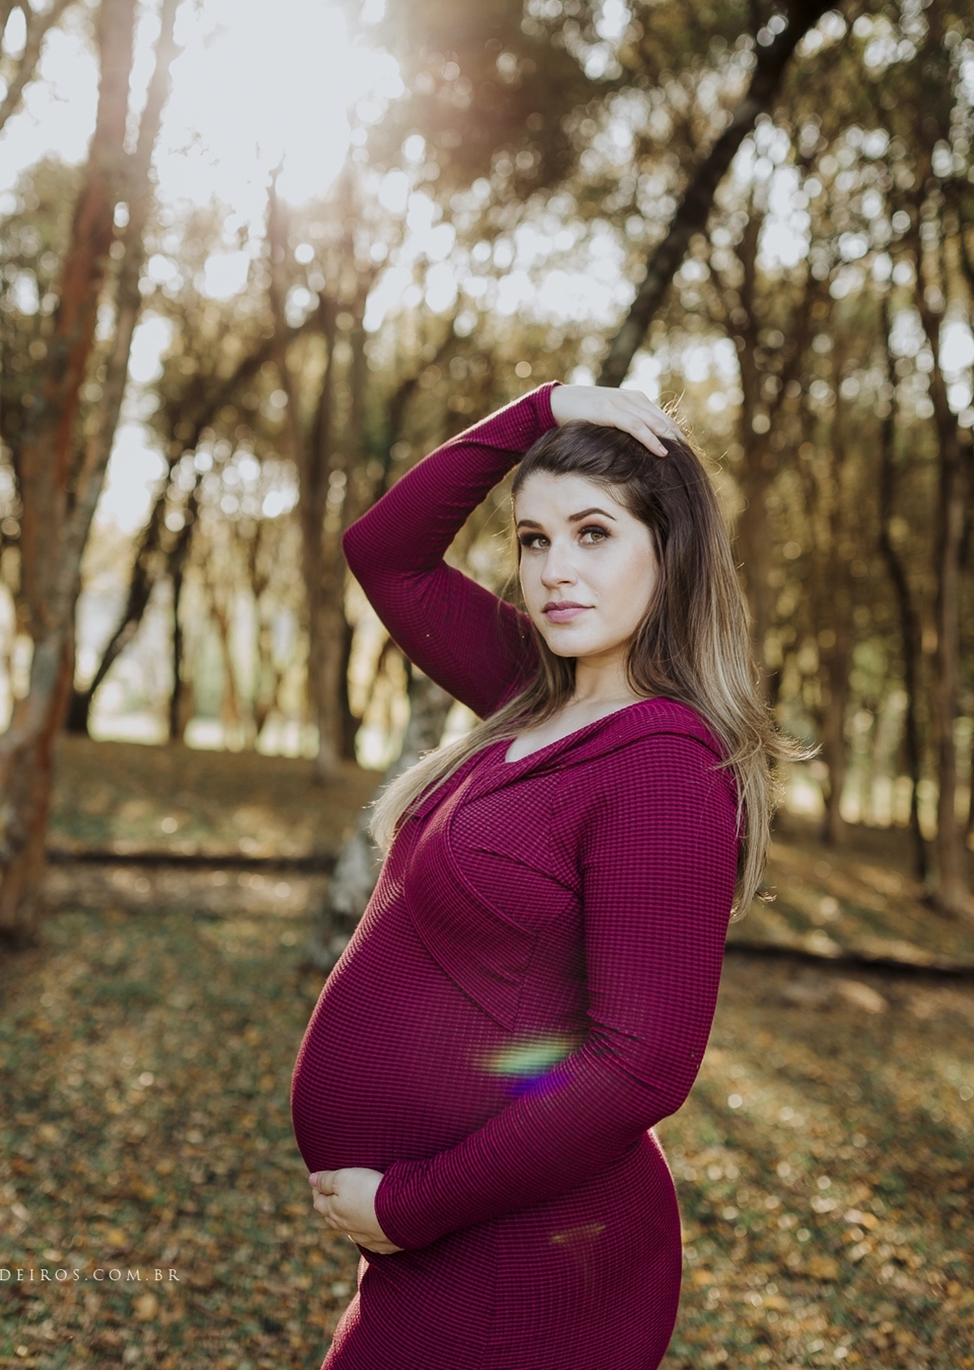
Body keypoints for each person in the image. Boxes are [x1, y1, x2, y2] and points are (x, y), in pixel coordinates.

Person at [290, 382, 792, 1370]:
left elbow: (642, 1062)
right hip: (449, 1250)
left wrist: (408, 1202)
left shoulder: (665, 766)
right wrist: (546, 406)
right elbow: (383, 549)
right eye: (532, 537)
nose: (554, 570)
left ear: (670, 549)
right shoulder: (533, 690)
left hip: (534, 1265)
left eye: (594, 532)